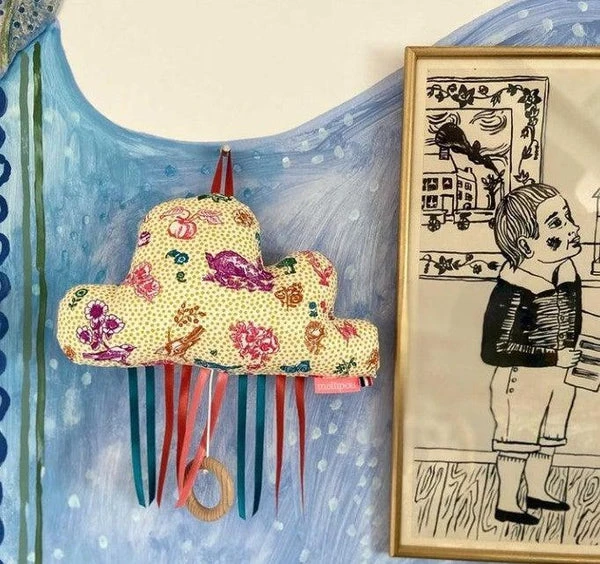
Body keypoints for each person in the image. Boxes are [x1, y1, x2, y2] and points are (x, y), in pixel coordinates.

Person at [481, 183, 582, 525]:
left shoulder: (566, 273)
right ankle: (508, 501)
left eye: (568, 217)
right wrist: (552, 357)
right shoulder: (512, 288)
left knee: (548, 437)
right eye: (557, 223)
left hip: (559, 376)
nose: (572, 228)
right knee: (518, 440)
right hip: (520, 380)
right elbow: (495, 349)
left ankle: (537, 490)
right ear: (526, 245)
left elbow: (572, 324)